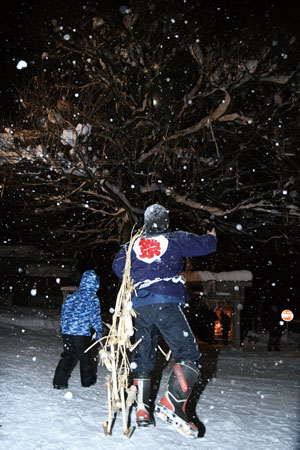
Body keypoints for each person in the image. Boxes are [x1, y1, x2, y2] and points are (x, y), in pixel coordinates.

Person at [112, 204, 217, 438]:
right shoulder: (174, 239)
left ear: (145, 224)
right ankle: (172, 403)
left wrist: (140, 268)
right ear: (166, 223)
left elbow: (119, 267)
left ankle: (141, 409)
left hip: (139, 306)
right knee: (188, 352)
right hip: (166, 302)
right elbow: (204, 246)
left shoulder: (132, 245)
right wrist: (211, 237)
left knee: (143, 355)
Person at [53, 270, 102, 389]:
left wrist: (64, 328)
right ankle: (87, 381)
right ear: (94, 283)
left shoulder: (72, 296)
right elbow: (95, 316)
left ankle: (59, 382)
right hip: (81, 333)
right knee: (85, 357)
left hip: (68, 332)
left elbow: (64, 313)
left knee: (68, 355)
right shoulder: (92, 298)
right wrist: (99, 330)